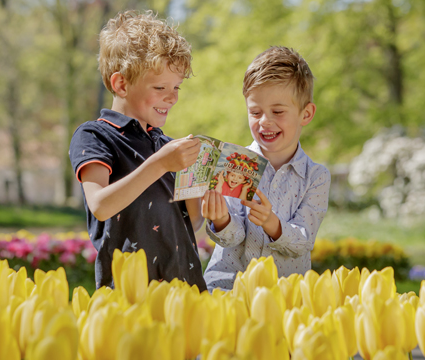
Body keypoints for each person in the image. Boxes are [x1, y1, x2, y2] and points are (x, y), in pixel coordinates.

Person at [69, 10, 206, 291]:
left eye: (177, 87)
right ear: (121, 84)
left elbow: (190, 221)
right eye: (160, 87)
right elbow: (101, 206)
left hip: (185, 288)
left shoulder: (166, 146)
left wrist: (198, 180)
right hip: (130, 294)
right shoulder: (95, 135)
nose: (172, 97)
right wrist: (160, 164)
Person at [201, 46, 331, 291]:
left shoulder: (316, 177)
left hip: (285, 294)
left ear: (306, 113)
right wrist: (221, 219)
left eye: (278, 111)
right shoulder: (234, 164)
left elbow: (303, 241)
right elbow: (232, 238)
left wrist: (273, 223)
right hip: (228, 287)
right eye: (255, 112)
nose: (264, 122)